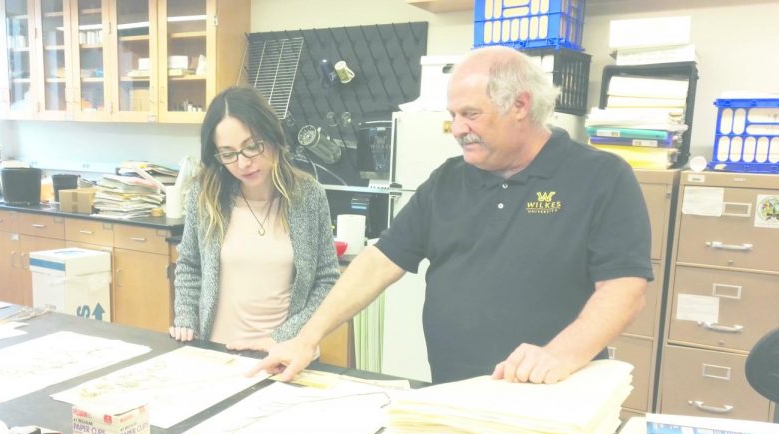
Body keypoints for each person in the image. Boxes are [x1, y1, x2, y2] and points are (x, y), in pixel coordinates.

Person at [247, 46, 652, 384]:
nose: (456, 129)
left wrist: (560, 355)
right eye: (453, 115)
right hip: (451, 391)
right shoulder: (448, 180)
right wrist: (307, 336)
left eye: (470, 114)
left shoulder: (601, 176)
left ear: (520, 106)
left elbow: (624, 289)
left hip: (551, 392)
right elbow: (379, 261)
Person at [170, 86, 339, 350]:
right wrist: (186, 319)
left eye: (252, 147)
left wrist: (280, 338)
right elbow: (190, 266)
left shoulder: (308, 197)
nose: (243, 163)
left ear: (272, 137)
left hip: (286, 353)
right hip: (215, 353)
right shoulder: (204, 198)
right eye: (228, 153)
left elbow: (326, 280)